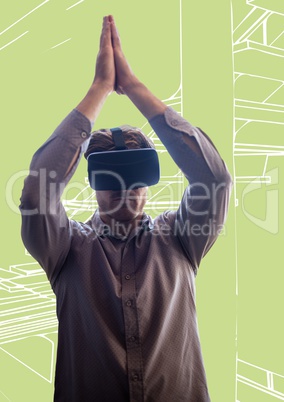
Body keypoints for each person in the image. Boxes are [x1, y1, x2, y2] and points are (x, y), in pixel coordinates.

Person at [20, 15, 232, 402]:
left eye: (135, 176)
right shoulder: (66, 248)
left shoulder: (181, 239)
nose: (125, 189)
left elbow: (214, 180)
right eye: (109, 178)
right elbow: (37, 196)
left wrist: (133, 87)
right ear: (92, 184)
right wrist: (100, 90)